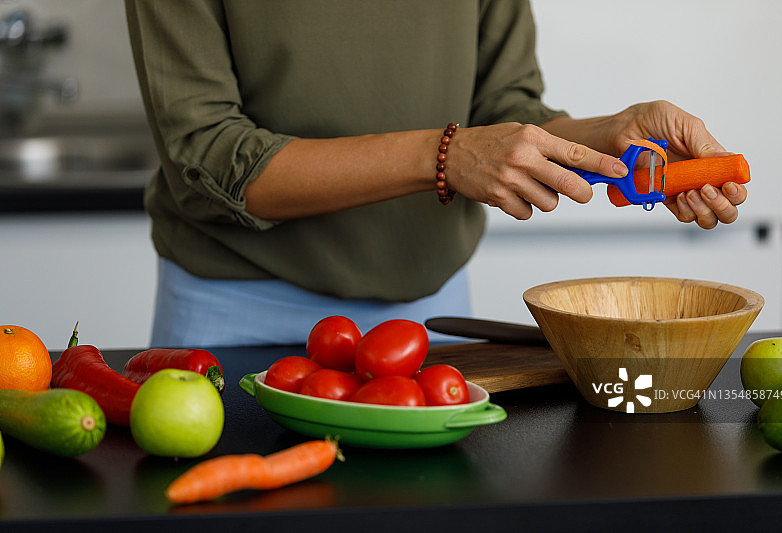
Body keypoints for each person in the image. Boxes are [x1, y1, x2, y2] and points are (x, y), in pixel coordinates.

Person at [124, 1, 747, 348]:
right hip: (236, 309)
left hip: (429, 313)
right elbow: (209, 154)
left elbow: (504, 109)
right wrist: (443, 156)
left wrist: (611, 133)